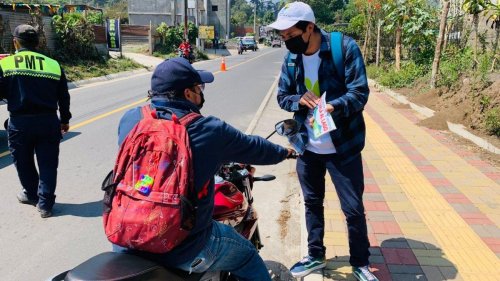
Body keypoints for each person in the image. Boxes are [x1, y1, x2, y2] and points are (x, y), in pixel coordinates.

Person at [113, 57, 295, 281]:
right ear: (188, 94)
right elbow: (256, 148)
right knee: (247, 256)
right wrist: (285, 152)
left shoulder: (130, 119)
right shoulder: (208, 129)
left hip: (125, 238)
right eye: (199, 87)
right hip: (182, 247)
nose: (202, 92)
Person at [267, 2, 378, 281]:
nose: (286, 42)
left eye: (291, 36)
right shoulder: (291, 60)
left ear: (310, 28)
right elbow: (283, 96)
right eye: (283, 37)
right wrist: (298, 99)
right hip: (308, 147)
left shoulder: (344, 48)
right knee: (312, 203)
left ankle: (361, 263)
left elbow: (360, 93)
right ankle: (315, 255)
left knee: (353, 209)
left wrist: (333, 107)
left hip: (344, 146)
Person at [0, 24, 71, 218]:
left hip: (20, 123)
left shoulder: (6, 64)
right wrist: (64, 120)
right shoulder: (53, 65)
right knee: (48, 163)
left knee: (23, 162)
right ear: (38, 42)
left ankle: (31, 194)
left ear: (15, 42)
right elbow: (63, 97)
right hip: (48, 121)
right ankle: (45, 205)